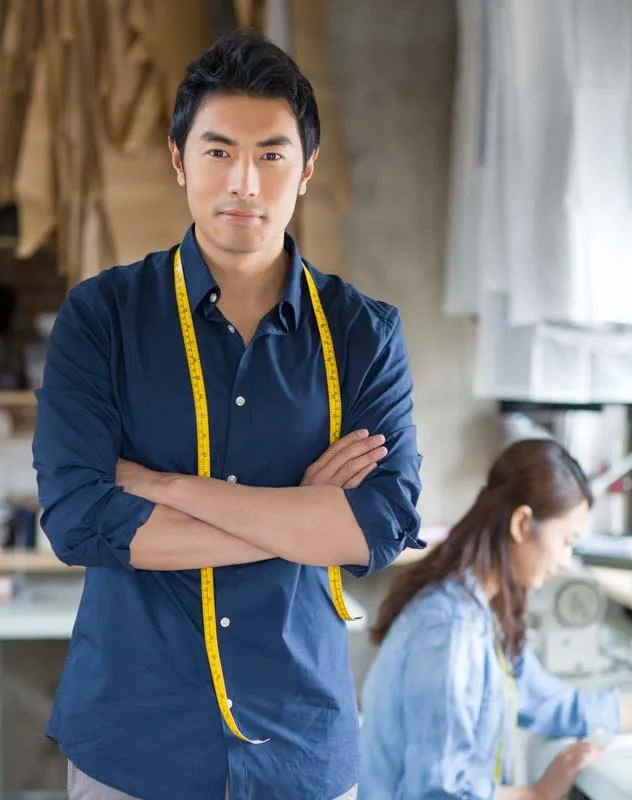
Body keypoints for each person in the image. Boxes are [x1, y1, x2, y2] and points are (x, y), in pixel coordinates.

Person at [32, 29, 423, 800]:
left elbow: (379, 525)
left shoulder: (362, 332)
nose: (244, 179)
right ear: (179, 161)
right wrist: (299, 518)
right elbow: (78, 517)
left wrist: (163, 486)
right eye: (218, 152)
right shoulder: (101, 317)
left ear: (307, 170)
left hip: (302, 744)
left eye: (272, 155)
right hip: (135, 742)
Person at [358, 438, 632, 800]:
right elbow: (439, 792)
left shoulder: (479, 611)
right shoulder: (450, 631)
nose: (566, 560)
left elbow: (550, 702)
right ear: (522, 524)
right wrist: (539, 794)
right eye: (566, 540)